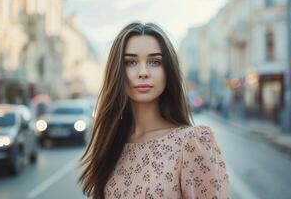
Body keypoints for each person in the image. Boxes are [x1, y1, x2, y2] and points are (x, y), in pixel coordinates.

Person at [78, 22, 229, 199]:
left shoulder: (192, 143)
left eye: (155, 62)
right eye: (131, 62)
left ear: (168, 71)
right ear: (117, 70)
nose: (143, 72)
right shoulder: (110, 142)